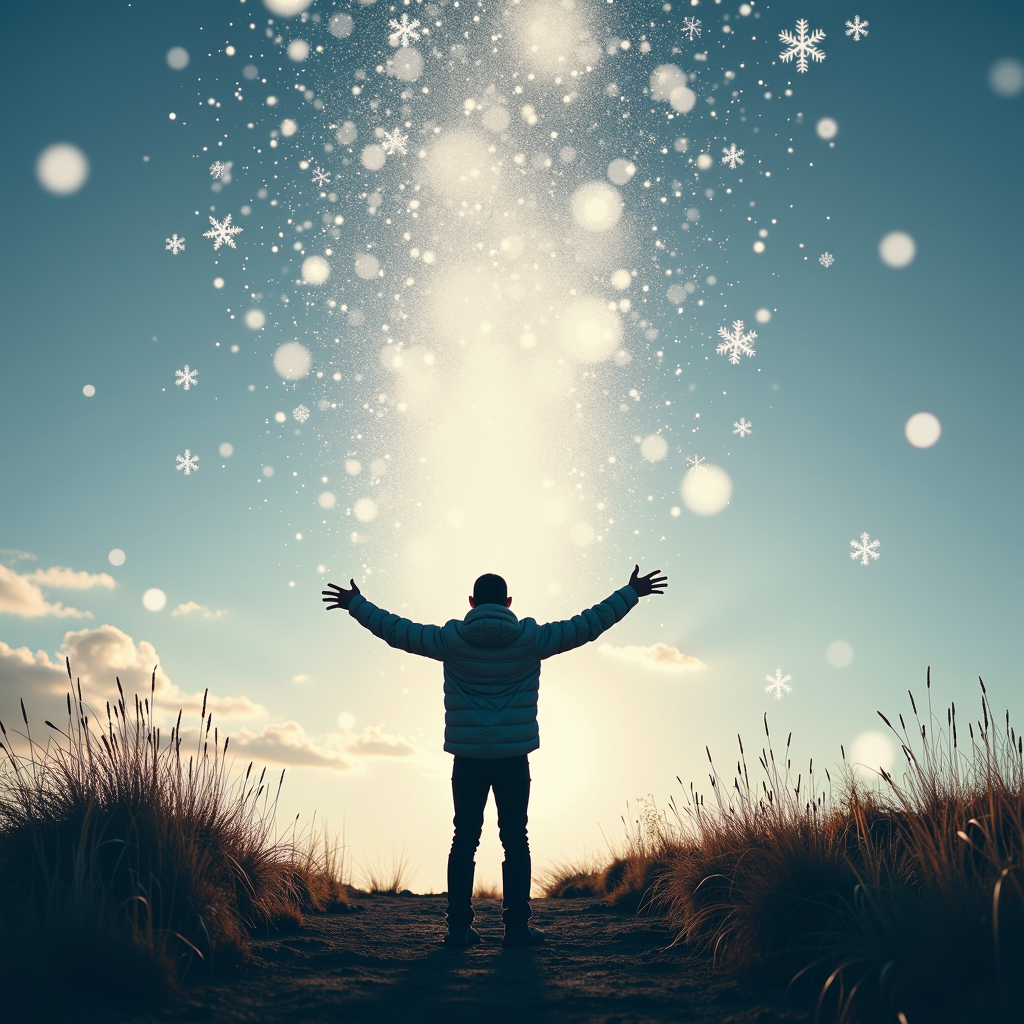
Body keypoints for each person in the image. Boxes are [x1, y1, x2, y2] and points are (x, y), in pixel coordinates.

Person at [322, 564, 668, 948]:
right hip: (513, 759)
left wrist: (356, 604)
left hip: (467, 759)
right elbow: (587, 625)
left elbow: (396, 630)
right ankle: (517, 930)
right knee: (515, 840)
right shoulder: (531, 639)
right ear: (508, 603)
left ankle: (458, 930)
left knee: (464, 840)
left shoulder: (449, 640)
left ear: (471, 603)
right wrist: (631, 592)